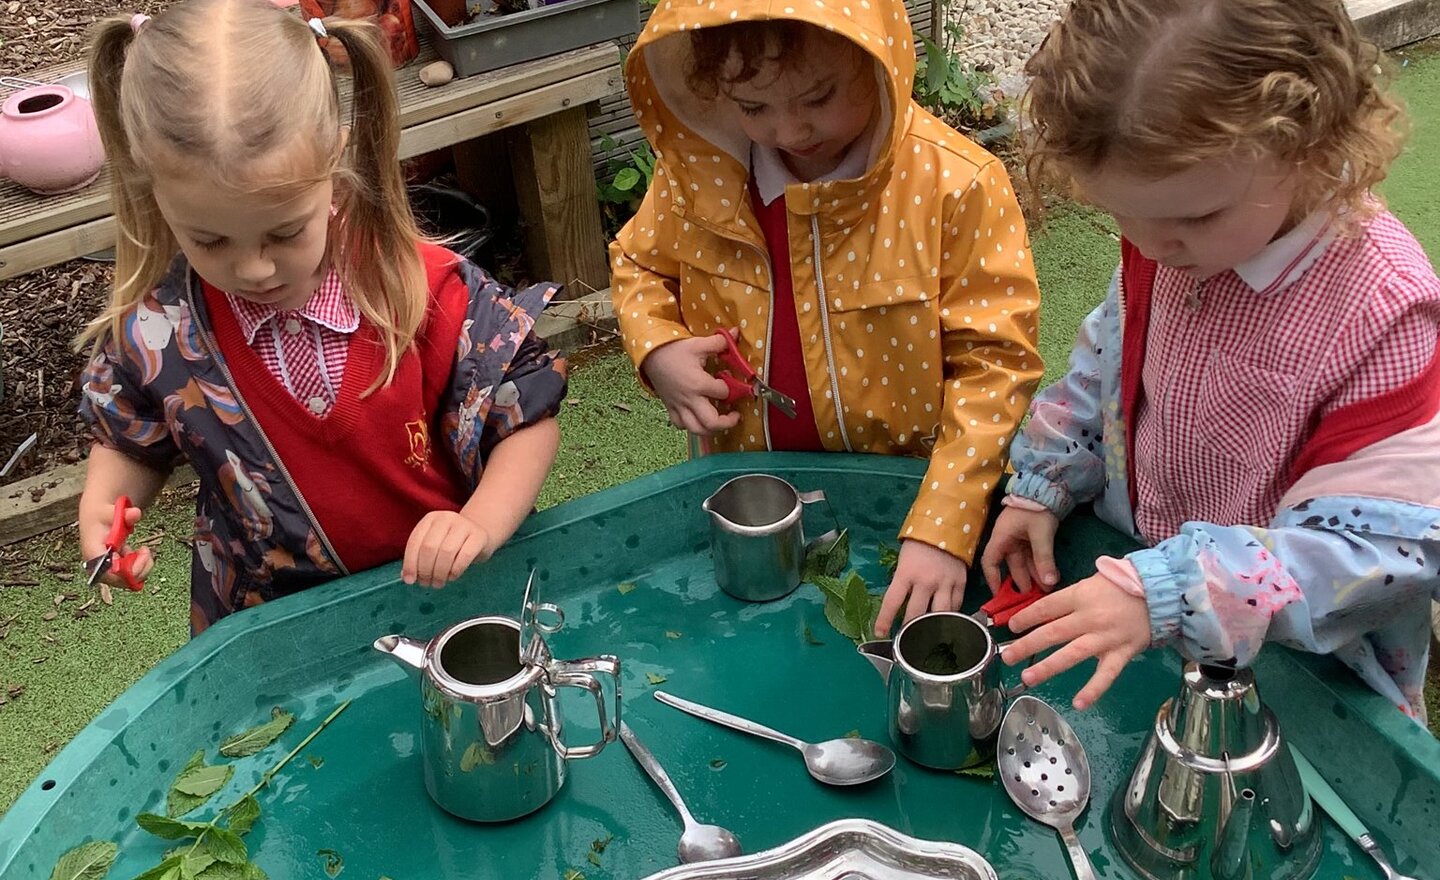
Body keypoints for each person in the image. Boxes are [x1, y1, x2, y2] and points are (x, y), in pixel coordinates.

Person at [985, 0, 1440, 722]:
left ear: (1309, 142)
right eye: (1119, 214)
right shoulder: (1171, 227)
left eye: (1194, 219)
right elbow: (1108, 356)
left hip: (1304, 678)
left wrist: (1175, 589)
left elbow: (1383, 550)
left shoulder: (1381, 307)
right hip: (1142, 601)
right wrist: (1044, 477)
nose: (1152, 245)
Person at [75, 0, 567, 633]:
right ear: (155, 193)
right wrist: (103, 512)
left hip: (451, 603)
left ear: (332, 165)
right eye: (210, 240)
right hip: (274, 632)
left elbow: (526, 416)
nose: (253, 270)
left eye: (284, 232)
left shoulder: (424, 291)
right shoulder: (162, 330)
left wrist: (479, 523)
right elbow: (129, 435)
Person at [609, 0, 1043, 632]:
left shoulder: (956, 186)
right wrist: (658, 350)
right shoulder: (698, 179)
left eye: (819, 96)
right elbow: (637, 263)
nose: (791, 131)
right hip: (750, 499)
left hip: (906, 503)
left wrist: (945, 521)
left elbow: (996, 364)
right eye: (754, 107)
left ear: (878, 59)